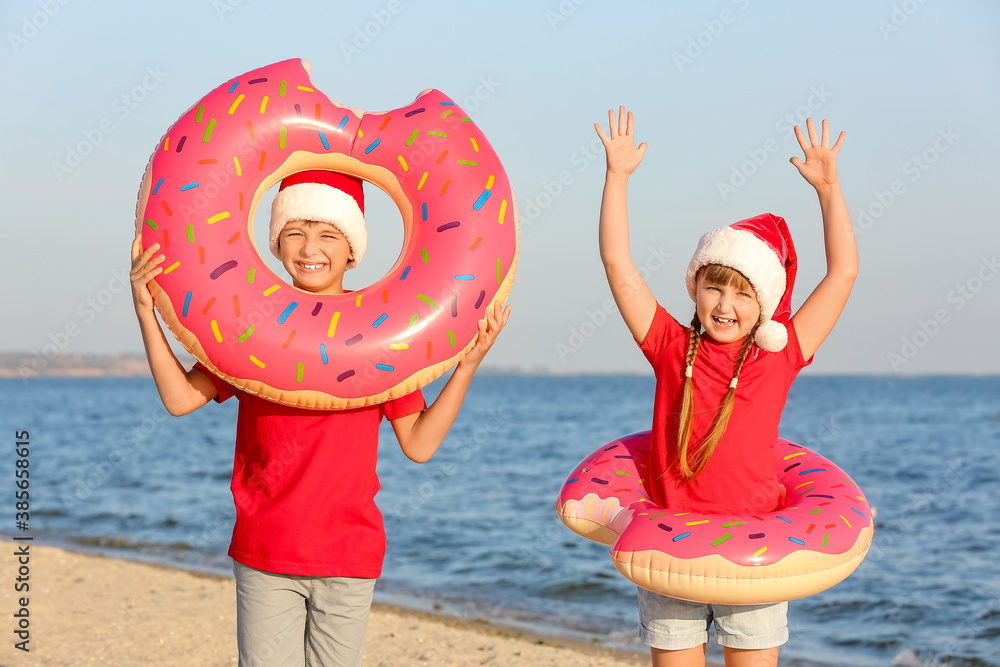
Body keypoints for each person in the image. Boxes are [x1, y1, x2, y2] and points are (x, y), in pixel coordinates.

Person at [130, 170, 511, 667]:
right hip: (266, 551)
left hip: (348, 556)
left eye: (329, 234)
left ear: (352, 248)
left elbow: (418, 445)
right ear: (275, 244)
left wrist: (467, 366)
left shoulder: (382, 336)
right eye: (295, 232)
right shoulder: (251, 328)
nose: (311, 246)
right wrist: (145, 311)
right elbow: (180, 399)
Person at [595, 108, 857, 667]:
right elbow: (619, 266)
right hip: (673, 549)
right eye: (715, 288)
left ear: (763, 303)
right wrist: (617, 177)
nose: (726, 305)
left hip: (756, 553)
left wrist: (830, 192)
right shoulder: (670, 346)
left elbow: (842, 276)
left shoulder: (779, 356)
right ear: (697, 288)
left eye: (742, 294)